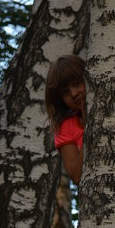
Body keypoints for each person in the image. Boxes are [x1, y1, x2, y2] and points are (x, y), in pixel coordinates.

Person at [45, 54, 86, 184]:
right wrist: (89, 127)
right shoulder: (65, 127)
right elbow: (77, 176)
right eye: (65, 92)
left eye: (77, 84)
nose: (73, 94)